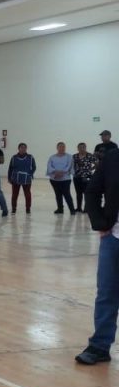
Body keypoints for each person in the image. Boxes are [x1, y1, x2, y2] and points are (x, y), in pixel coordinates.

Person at [76, 149, 119, 365]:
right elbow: (92, 191)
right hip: (114, 239)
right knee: (106, 293)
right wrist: (101, 223)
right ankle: (99, 346)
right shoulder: (113, 158)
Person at [47, 141, 77, 215]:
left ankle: (72, 210)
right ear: (57, 148)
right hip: (54, 179)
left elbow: (69, 166)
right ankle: (60, 209)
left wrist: (61, 172)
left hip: (65, 179)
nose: (62, 148)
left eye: (63, 147)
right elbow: (49, 166)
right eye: (60, 146)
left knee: (67, 194)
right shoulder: (52, 157)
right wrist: (55, 172)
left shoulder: (69, 156)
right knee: (58, 194)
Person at [7, 143, 36, 215]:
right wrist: (9, 178)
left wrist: (30, 173)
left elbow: (34, 167)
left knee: (27, 194)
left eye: (24, 148)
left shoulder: (30, 157)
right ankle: (13, 208)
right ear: (18, 148)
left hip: (26, 179)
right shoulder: (14, 158)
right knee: (14, 194)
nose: (23, 149)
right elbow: (10, 168)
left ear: (26, 149)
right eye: (21, 147)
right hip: (15, 179)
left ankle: (28, 208)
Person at [74, 142, 98, 213]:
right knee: (78, 193)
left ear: (85, 148)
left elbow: (97, 163)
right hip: (77, 177)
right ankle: (79, 208)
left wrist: (91, 169)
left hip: (87, 177)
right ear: (78, 148)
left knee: (86, 193)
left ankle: (86, 208)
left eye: (83, 147)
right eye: (80, 147)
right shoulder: (74, 156)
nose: (82, 149)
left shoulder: (90, 155)